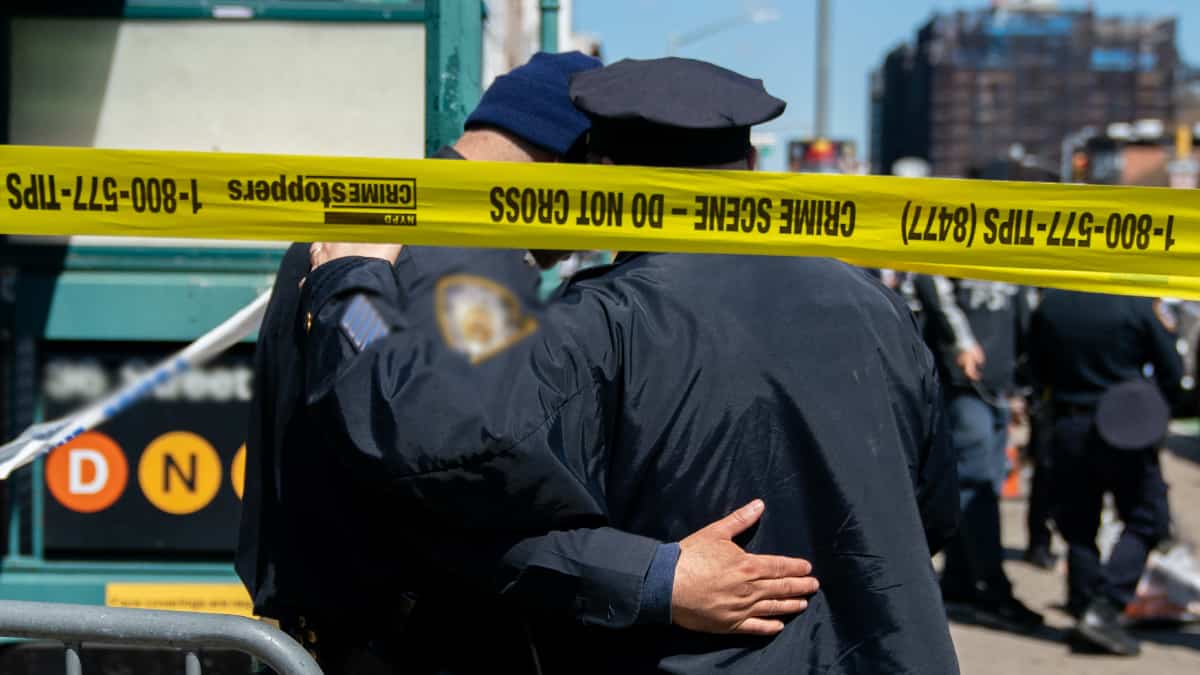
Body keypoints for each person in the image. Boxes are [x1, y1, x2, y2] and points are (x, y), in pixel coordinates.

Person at [303, 56, 959, 673]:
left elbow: (406, 430)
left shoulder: (600, 327)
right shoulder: (879, 310)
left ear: (606, 178)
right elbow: (931, 510)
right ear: (754, 164)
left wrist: (351, 288)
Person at [1030, 290, 1182, 656]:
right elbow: (1172, 372)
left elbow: (1035, 367)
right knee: (1149, 519)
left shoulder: (1052, 303)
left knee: (1079, 525)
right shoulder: (1136, 303)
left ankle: (1085, 606)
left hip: (1068, 424)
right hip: (1125, 426)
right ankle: (1106, 606)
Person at [912, 275, 1043, 631]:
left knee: (988, 481)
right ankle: (991, 588)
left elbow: (1025, 309)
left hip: (1000, 384)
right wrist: (961, 342)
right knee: (977, 483)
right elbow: (930, 280)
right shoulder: (960, 239)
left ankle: (959, 579)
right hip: (964, 383)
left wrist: (1023, 379)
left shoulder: (1015, 248)